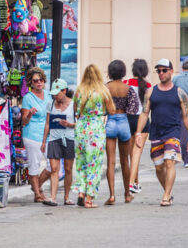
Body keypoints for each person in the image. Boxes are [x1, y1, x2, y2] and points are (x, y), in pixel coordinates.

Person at [134, 58, 188, 207]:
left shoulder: (179, 93)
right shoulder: (151, 91)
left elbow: (186, 116)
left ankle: (166, 196)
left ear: (171, 72)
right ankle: (168, 191)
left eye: (164, 70)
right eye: (158, 71)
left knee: (169, 163)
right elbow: (144, 113)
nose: (161, 73)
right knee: (159, 167)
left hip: (173, 132)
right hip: (156, 133)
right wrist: (138, 133)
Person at [73, 64, 114, 209]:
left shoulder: (79, 91)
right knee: (94, 164)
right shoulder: (103, 91)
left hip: (81, 128)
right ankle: (89, 199)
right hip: (96, 128)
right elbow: (111, 110)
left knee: (81, 162)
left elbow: (75, 111)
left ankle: (81, 192)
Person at [105, 60, 139, 204]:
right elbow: (134, 109)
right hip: (124, 121)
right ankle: (127, 194)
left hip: (110, 121)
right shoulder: (129, 88)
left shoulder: (105, 88)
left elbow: (100, 106)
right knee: (125, 161)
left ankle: (112, 195)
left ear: (110, 72)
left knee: (111, 162)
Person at [40, 79, 75, 206]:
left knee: (68, 169)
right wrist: (44, 141)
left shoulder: (73, 104)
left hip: (69, 139)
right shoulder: (50, 104)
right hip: (54, 139)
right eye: (53, 94)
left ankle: (66, 197)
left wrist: (69, 124)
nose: (55, 96)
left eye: (57, 93)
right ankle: (53, 197)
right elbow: (48, 123)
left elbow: (80, 123)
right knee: (54, 169)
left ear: (64, 91)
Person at [20, 68, 51, 203]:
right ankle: (37, 194)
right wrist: (30, 114)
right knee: (34, 165)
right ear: (31, 83)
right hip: (32, 134)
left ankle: (36, 185)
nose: (39, 83)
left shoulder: (49, 95)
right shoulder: (28, 98)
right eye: (35, 81)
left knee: (53, 166)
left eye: (41, 80)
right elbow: (24, 121)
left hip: (48, 134)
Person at [125, 59, 150, 194]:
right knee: (137, 154)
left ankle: (135, 182)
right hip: (144, 120)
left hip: (128, 119)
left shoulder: (126, 83)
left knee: (131, 154)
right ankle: (132, 183)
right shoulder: (149, 86)